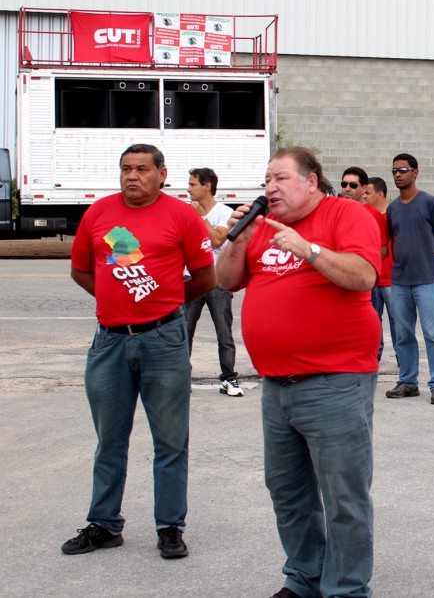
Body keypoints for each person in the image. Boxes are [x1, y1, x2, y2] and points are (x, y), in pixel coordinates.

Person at [217, 147, 381, 598]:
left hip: (335, 381)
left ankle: (346, 588)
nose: (269, 187)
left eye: (281, 178)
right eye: (266, 179)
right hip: (277, 385)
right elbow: (226, 280)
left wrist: (308, 249)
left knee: (343, 497)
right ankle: (304, 579)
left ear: (311, 181)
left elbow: (364, 274)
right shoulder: (261, 227)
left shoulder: (345, 214)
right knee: (288, 492)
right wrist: (240, 236)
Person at [62, 143, 216, 560]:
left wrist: (163, 304)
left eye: (142, 169)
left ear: (162, 174)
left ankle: (170, 526)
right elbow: (80, 269)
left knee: (170, 439)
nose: (132, 176)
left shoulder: (182, 216)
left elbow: (205, 277)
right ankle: (105, 524)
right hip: (110, 342)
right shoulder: (100, 213)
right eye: (126, 169)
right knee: (109, 439)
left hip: (163, 341)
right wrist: (118, 304)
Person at [385, 153, 434, 404]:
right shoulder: (392, 209)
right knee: (403, 334)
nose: (398, 175)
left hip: (425, 280)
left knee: (433, 334)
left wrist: (424, 253)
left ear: (415, 172)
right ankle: (408, 382)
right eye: (394, 171)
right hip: (399, 281)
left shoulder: (429, 203)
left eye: (403, 170)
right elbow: (393, 240)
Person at [184, 166, 242, 397]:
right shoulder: (187, 212)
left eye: (193, 184)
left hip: (218, 280)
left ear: (207, 186)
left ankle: (229, 379)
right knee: (184, 332)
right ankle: (181, 378)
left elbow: (218, 240)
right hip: (192, 279)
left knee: (224, 333)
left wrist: (199, 217)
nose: (188, 189)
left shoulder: (225, 213)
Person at [365, 176, 399, 367]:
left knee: (398, 324)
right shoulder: (366, 216)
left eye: (368, 193)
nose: (365, 197)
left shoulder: (393, 215)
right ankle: (373, 360)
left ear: (380, 194)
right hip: (373, 280)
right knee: (373, 323)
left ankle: (402, 361)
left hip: (392, 281)